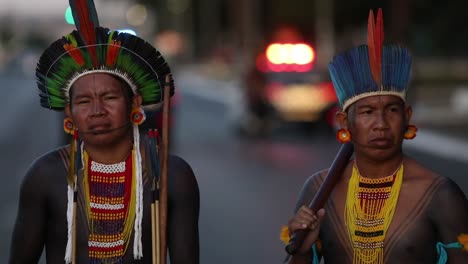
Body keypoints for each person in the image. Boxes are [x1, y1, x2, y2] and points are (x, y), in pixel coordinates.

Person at [9, 1, 199, 263]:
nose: (97, 110)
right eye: (84, 101)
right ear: (69, 112)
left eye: (109, 97)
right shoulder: (45, 176)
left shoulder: (171, 176)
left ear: (134, 103)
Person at [285, 9, 468, 264]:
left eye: (392, 110)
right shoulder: (317, 191)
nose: (380, 124)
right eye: (367, 112)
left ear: (407, 117)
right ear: (343, 121)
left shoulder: (439, 193)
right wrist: (303, 251)